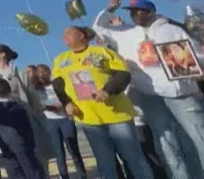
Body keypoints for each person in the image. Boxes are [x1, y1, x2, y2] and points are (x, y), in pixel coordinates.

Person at [93, 0, 204, 178]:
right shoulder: (125, 32)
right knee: (166, 143)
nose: (135, 15)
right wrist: (109, 10)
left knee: (199, 136)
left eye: (139, 11)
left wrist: (199, 69)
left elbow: (197, 55)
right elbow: (98, 29)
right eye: (132, 12)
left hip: (179, 93)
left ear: (151, 12)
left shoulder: (170, 30)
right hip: (149, 95)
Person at [52, 26, 152, 179]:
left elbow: (123, 74)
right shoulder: (60, 60)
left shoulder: (102, 52)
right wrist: (67, 103)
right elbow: (58, 85)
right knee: (105, 163)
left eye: (68, 33)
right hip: (89, 120)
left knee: (133, 159)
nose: (64, 36)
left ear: (81, 35)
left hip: (117, 116)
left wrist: (107, 90)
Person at [0, 44, 51, 173]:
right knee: (10, 161)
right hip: (1, 123)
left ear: (3, 54)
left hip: (22, 121)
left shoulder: (20, 74)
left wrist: (37, 118)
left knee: (32, 160)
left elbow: (33, 98)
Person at [36, 64, 87, 179]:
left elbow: (67, 99)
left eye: (43, 72)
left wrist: (61, 106)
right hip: (51, 121)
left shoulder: (57, 85)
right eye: (39, 73)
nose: (41, 75)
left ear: (48, 72)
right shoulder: (38, 90)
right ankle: (64, 176)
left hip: (65, 119)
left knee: (73, 149)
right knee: (58, 152)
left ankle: (82, 175)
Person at [0, 78, 44, 179]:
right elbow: (27, 128)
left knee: (15, 174)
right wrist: (32, 143)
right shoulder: (18, 108)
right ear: (9, 90)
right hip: (23, 146)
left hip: (5, 149)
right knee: (32, 171)